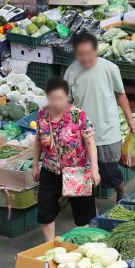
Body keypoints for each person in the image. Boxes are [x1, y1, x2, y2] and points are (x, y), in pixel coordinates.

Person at [64, 32, 135, 200]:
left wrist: (130, 120)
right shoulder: (71, 72)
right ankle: (85, 213)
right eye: (80, 54)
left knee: (109, 171)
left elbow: (121, 94)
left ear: (96, 50)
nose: (85, 58)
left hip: (107, 131)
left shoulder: (110, 68)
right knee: (80, 173)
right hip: (81, 133)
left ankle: (120, 190)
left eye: (88, 53)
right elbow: (68, 103)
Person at [32, 77, 100, 242]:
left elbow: (90, 143)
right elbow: (38, 140)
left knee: (83, 213)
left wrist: (95, 170)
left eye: (60, 98)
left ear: (67, 97)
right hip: (51, 169)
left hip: (77, 170)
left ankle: (83, 245)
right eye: (53, 99)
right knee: (45, 209)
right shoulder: (42, 114)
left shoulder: (78, 115)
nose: (57, 103)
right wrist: (35, 165)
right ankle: (50, 245)